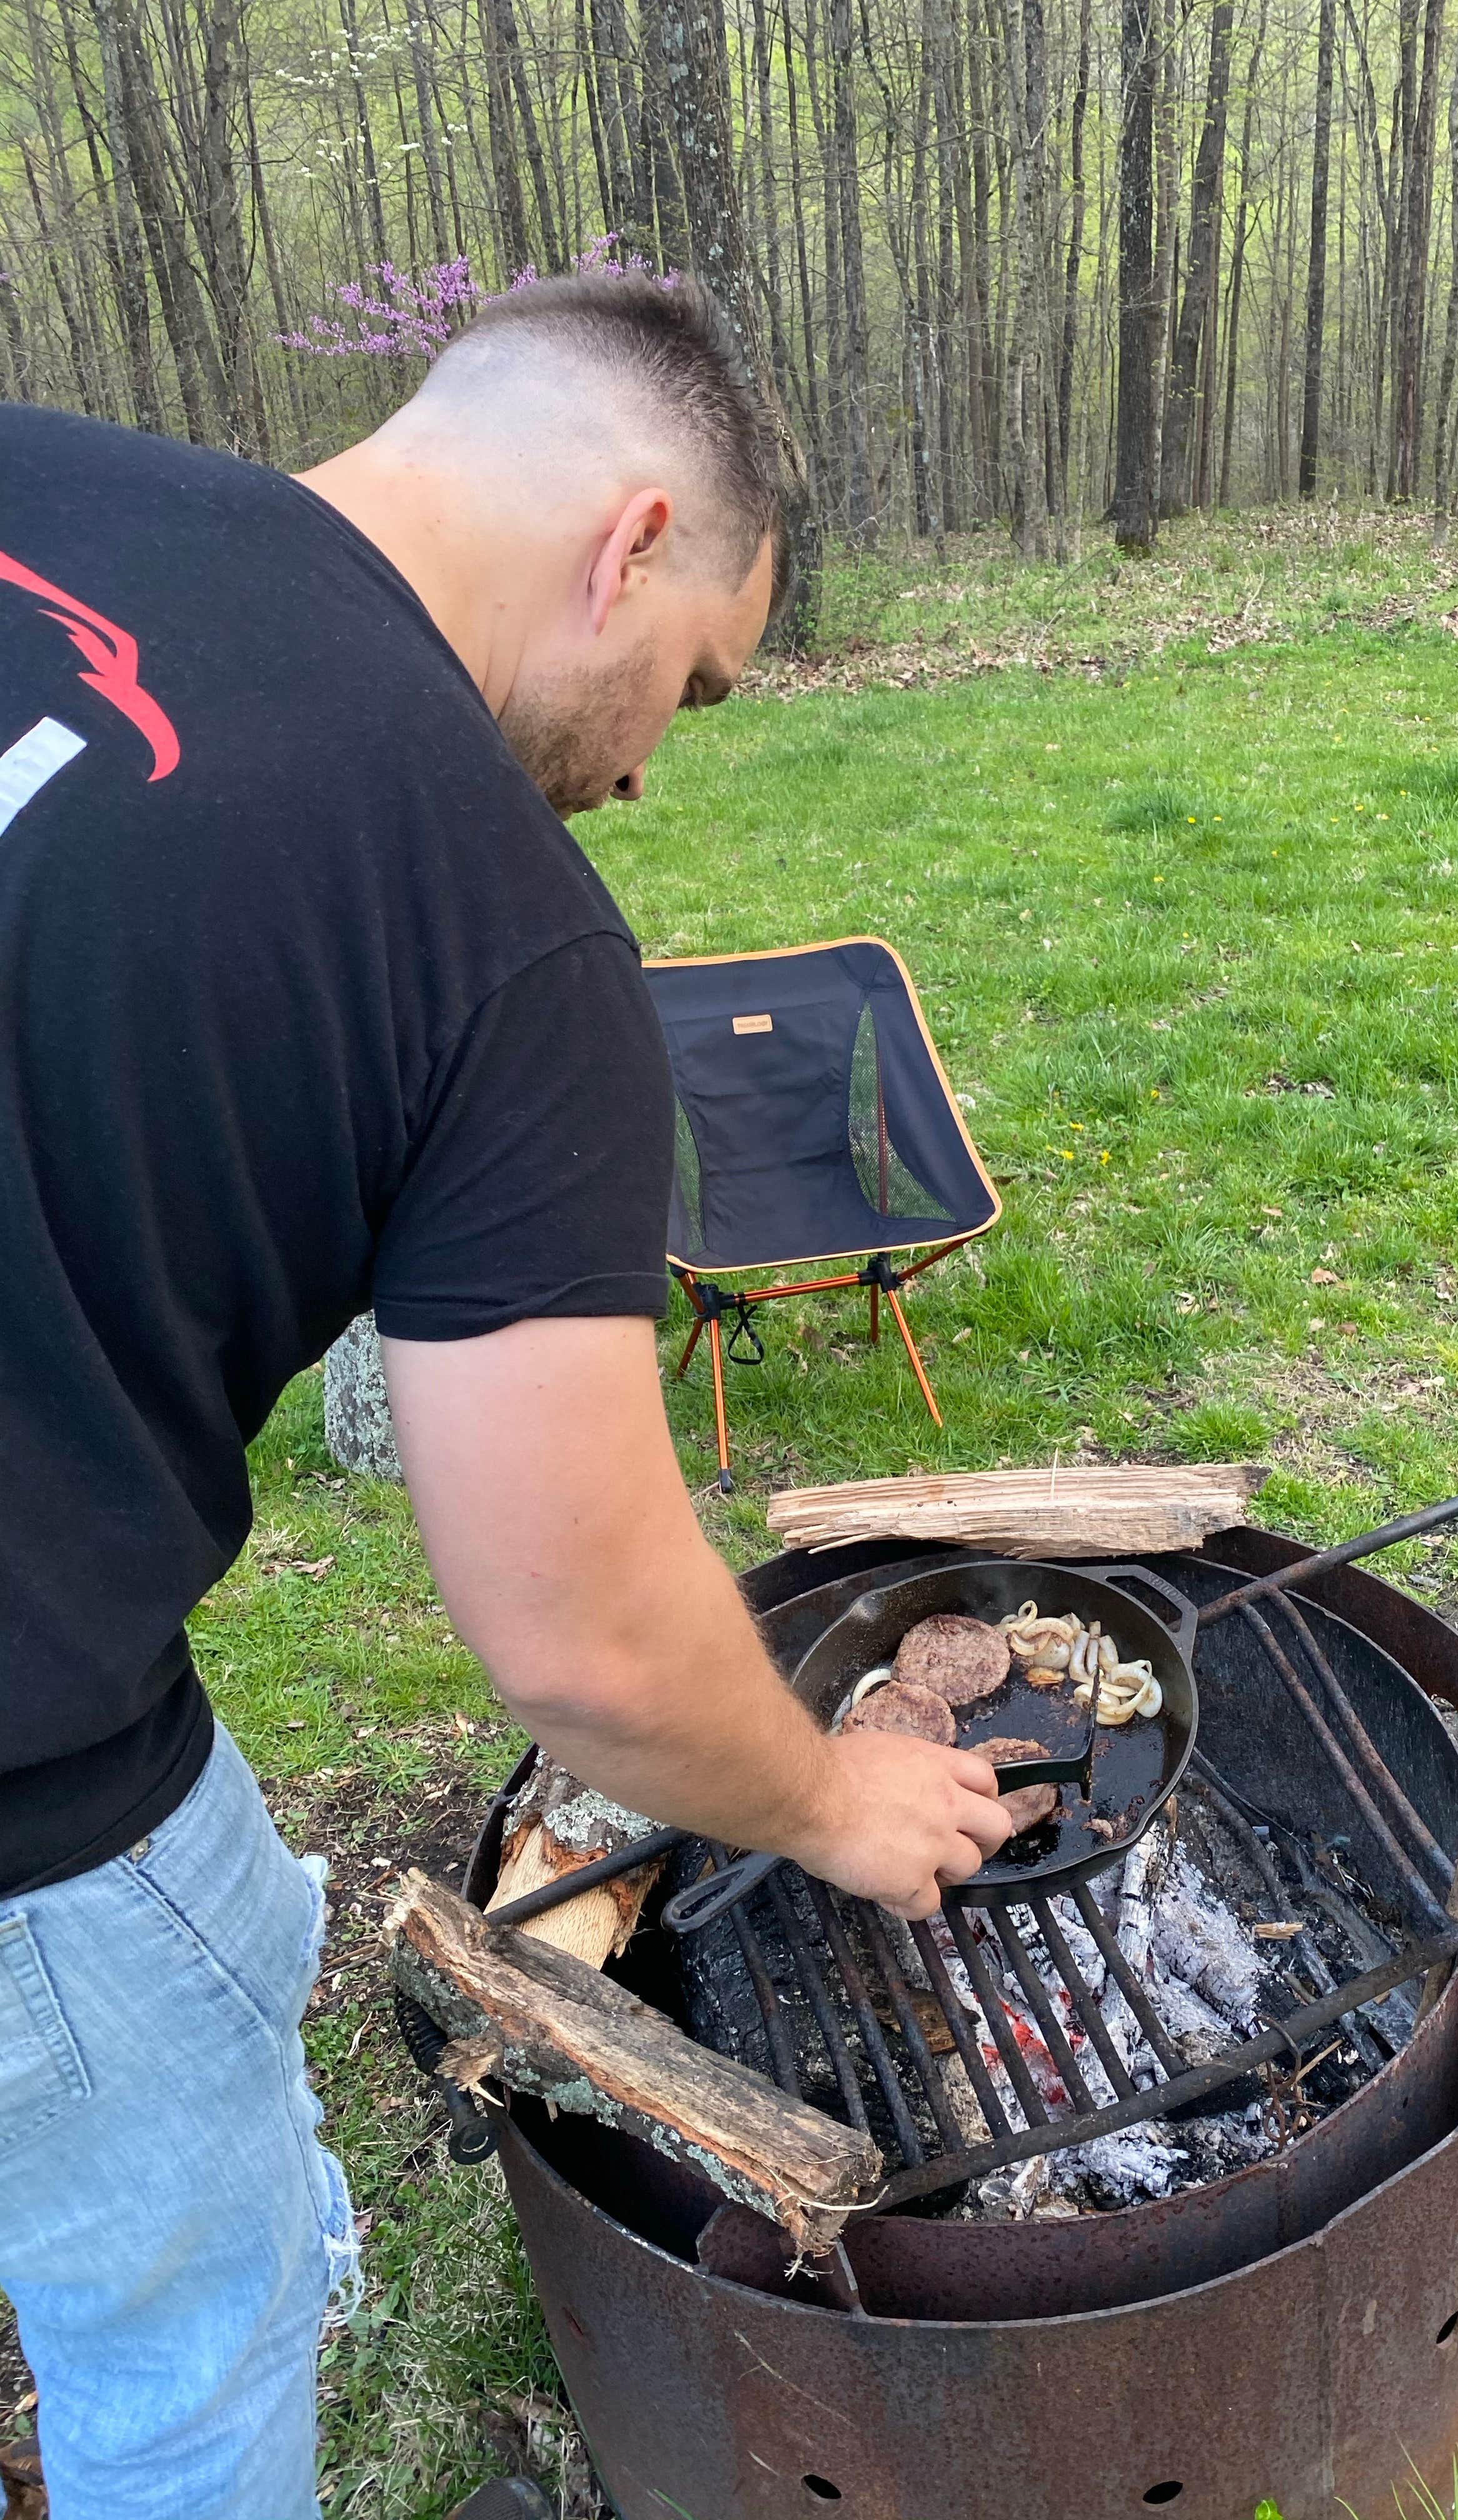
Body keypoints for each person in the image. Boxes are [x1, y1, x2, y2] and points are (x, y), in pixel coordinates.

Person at [0, 271, 1014, 2520]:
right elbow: (584, 1638)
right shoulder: (501, 928)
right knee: (191, 2351)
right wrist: (838, 1803)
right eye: (699, 685)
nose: (658, 754)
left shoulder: (33, 478)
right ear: (629, 541)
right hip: (23, 1808)